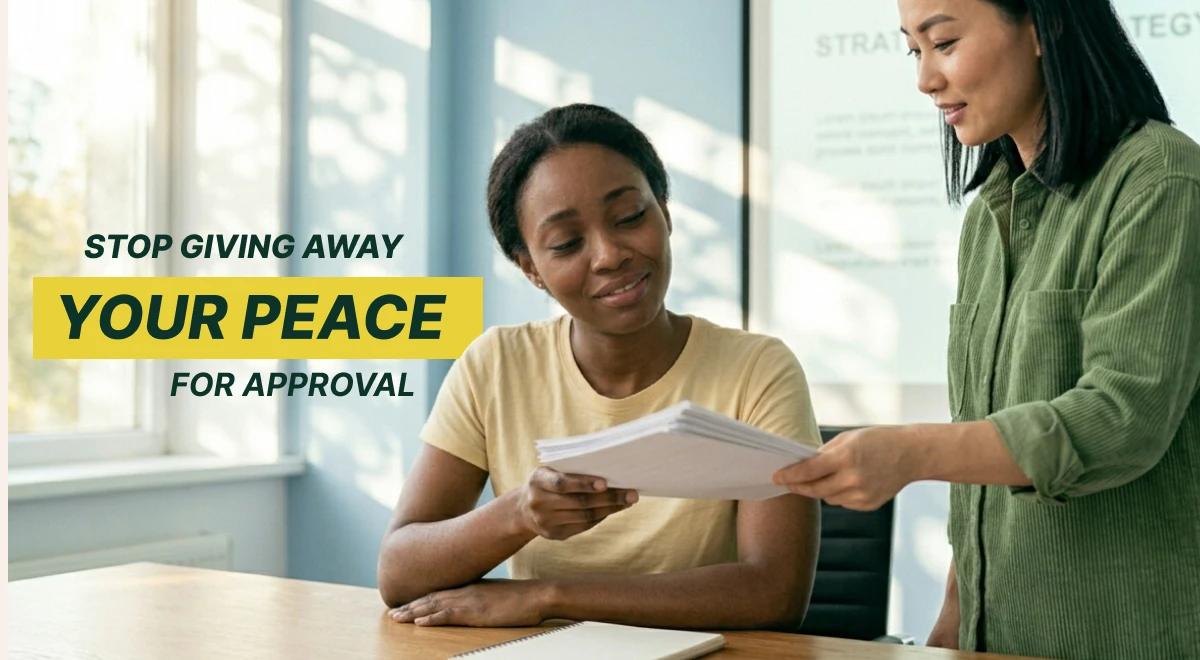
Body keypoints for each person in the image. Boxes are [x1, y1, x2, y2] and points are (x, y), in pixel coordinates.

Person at [773, 0, 1200, 657]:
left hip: (1126, 636)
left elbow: (1121, 419)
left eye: (944, 43)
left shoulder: (1162, 181)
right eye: (914, 50)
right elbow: (987, 433)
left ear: (1042, 27)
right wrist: (956, 608)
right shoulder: (989, 212)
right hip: (996, 636)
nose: (925, 79)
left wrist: (913, 453)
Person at [377, 103, 821, 630]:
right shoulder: (495, 365)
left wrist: (548, 597)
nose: (610, 255)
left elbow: (774, 592)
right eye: (567, 244)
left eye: (630, 217)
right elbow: (399, 574)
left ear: (665, 214)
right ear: (531, 269)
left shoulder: (758, 369)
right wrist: (519, 513)